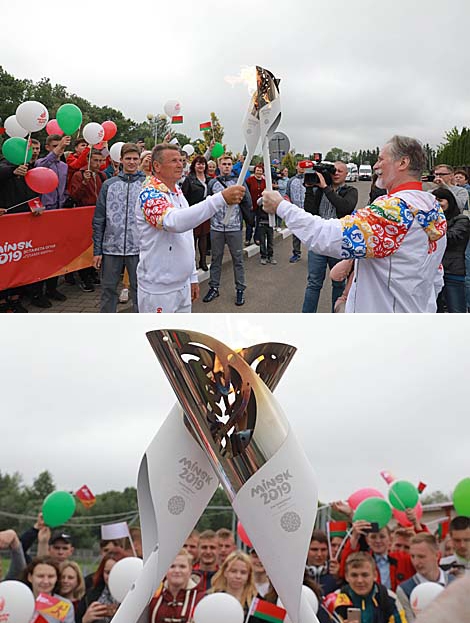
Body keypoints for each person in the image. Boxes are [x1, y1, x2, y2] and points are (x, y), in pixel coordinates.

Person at [263, 135, 447, 312]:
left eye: (381, 159)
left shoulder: (396, 209)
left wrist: (281, 206)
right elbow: (436, 274)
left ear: (403, 163)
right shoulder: (432, 206)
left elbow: (326, 236)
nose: (375, 165)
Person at [135, 144, 245, 313]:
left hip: (182, 285)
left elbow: (186, 237)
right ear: (156, 166)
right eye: (173, 161)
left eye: (181, 160)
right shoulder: (149, 194)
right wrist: (220, 199)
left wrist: (192, 277)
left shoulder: (177, 191)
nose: (180, 164)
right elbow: (174, 222)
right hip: (159, 290)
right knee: (159, 338)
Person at [92, 143, 145, 313]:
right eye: (128, 158)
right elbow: (99, 219)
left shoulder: (147, 185)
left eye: (135, 159)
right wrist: (97, 250)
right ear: (121, 160)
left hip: (139, 248)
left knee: (140, 291)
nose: (131, 162)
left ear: (139, 160)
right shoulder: (109, 185)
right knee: (108, 290)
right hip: (111, 249)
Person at [302, 161, 358, 312]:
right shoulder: (320, 190)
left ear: (347, 174)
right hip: (319, 241)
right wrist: (309, 189)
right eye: (334, 170)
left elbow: (344, 207)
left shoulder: (350, 191)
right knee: (313, 283)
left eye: (341, 171)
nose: (337, 173)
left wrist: (325, 188)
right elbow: (309, 211)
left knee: (338, 283)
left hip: (338, 243)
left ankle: (336, 318)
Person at [202, 154, 253, 306]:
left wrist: (248, 220)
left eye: (229, 164)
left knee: (238, 260)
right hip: (216, 227)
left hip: (234, 227)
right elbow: (207, 203)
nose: (226, 166)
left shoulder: (239, 181)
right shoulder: (212, 183)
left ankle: (240, 289)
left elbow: (247, 201)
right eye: (223, 164)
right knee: (216, 259)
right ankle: (214, 287)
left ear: (232, 166)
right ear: (219, 165)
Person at [396, 533, 455, 622]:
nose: (416, 562)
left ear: (437, 555)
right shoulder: (404, 590)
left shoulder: (456, 583)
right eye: (412, 556)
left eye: (421, 556)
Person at [332, 552, 406, 623]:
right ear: (346, 576)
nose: (360, 580)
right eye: (354, 575)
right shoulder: (335, 599)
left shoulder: (389, 598)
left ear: (375, 575)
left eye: (365, 575)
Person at [432, 187, 470, 312]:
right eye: (434, 201)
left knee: (456, 312)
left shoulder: (461, 220)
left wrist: (429, 231)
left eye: (440, 200)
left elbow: (452, 238)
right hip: (432, 273)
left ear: (449, 201)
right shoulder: (430, 221)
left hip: (452, 272)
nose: (437, 204)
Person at [148, 549, 204, 623]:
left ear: (190, 569)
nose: (177, 571)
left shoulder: (200, 599)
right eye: (172, 566)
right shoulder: (153, 597)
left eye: (182, 566)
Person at [76, 552, 124, 623]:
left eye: (115, 572)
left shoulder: (133, 596)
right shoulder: (89, 595)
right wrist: (85, 619)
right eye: (107, 572)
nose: (111, 576)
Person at [181, 156, 211, 271]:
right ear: (194, 165)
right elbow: (184, 196)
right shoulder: (189, 179)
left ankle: (202, 261)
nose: (201, 166)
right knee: (192, 238)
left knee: (203, 237)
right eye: (198, 164)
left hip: (205, 211)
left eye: (203, 164)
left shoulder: (209, 179)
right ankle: (191, 263)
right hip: (193, 212)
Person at [24, 556, 75, 623]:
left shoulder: (64, 605)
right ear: (30, 577)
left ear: (57, 578)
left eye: (51, 576)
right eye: (40, 576)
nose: (46, 581)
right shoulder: (20, 601)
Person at [210, 551, 257, 616]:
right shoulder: (212, 599)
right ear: (225, 572)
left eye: (243, 572)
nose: (238, 576)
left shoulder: (256, 604)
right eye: (233, 571)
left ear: (249, 576)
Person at [305, 530, 341, 596]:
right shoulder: (298, 575)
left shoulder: (336, 573)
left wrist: (339, 577)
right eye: (314, 549)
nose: (319, 554)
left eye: (323, 550)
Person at [285, 162, 306, 263]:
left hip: (308, 212)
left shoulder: (310, 179)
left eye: (304, 167)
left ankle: (314, 255)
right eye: (300, 166)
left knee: (312, 233)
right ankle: (296, 253)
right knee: (296, 233)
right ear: (297, 167)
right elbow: (287, 195)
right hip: (296, 211)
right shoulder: (291, 181)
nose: (302, 168)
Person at [245, 164, 265, 246]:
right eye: (257, 170)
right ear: (254, 171)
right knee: (250, 222)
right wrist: (248, 203)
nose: (259, 172)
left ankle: (257, 238)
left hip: (260, 206)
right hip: (251, 205)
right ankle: (248, 238)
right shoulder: (249, 180)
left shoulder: (265, 181)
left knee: (259, 223)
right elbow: (246, 192)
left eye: (260, 171)